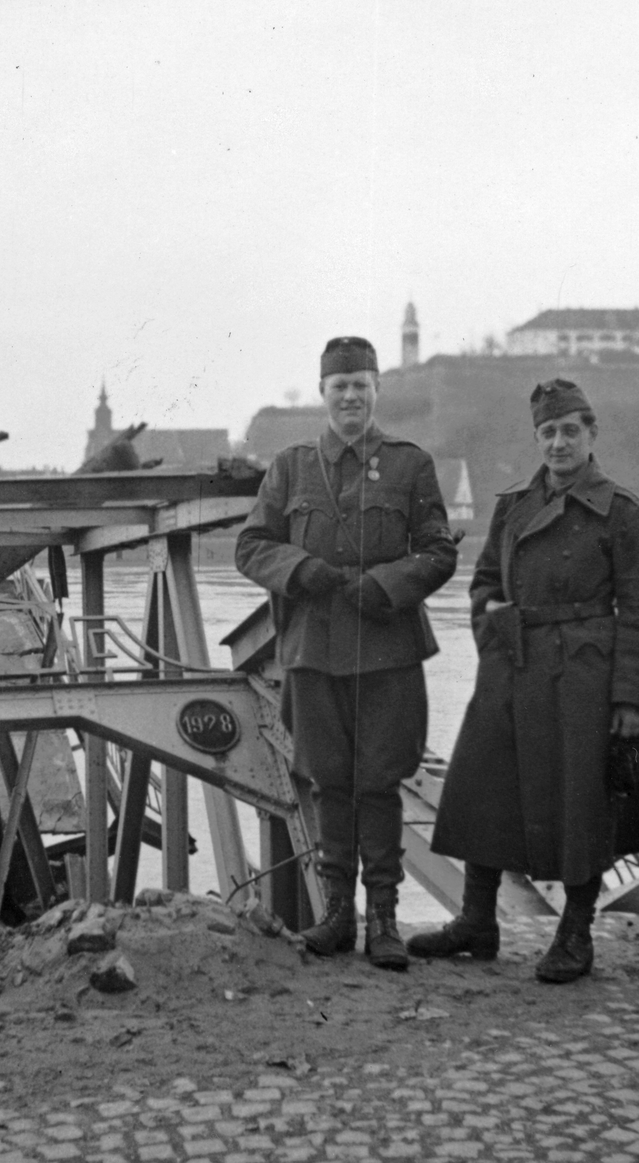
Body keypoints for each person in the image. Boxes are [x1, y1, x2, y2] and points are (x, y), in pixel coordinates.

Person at [410, 379, 639, 983]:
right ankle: (477, 920)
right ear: (537, 438)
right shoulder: (513, 506)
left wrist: (632, 700)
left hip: (584, 676)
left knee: (583, 802)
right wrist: (493, 628)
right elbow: (484, 584)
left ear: (592, 434)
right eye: (547, 432)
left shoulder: (624, 512)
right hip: (512, 665)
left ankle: (576, 933)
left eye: (570, 431)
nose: (558, 443)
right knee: (484, 788)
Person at [235, 336, 458, 970]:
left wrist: (386, 585)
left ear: (377, 389)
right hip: (313, 650)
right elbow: (251, 546)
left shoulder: (411, 465)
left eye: (361, 385)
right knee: (329, 781)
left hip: (386, 649)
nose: (351, 397)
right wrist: (300, 569)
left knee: (380, 784)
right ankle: (337, 914)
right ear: (323, 393)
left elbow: (439, 551)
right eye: (340, 387)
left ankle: (383, 918)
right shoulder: (290, 467)